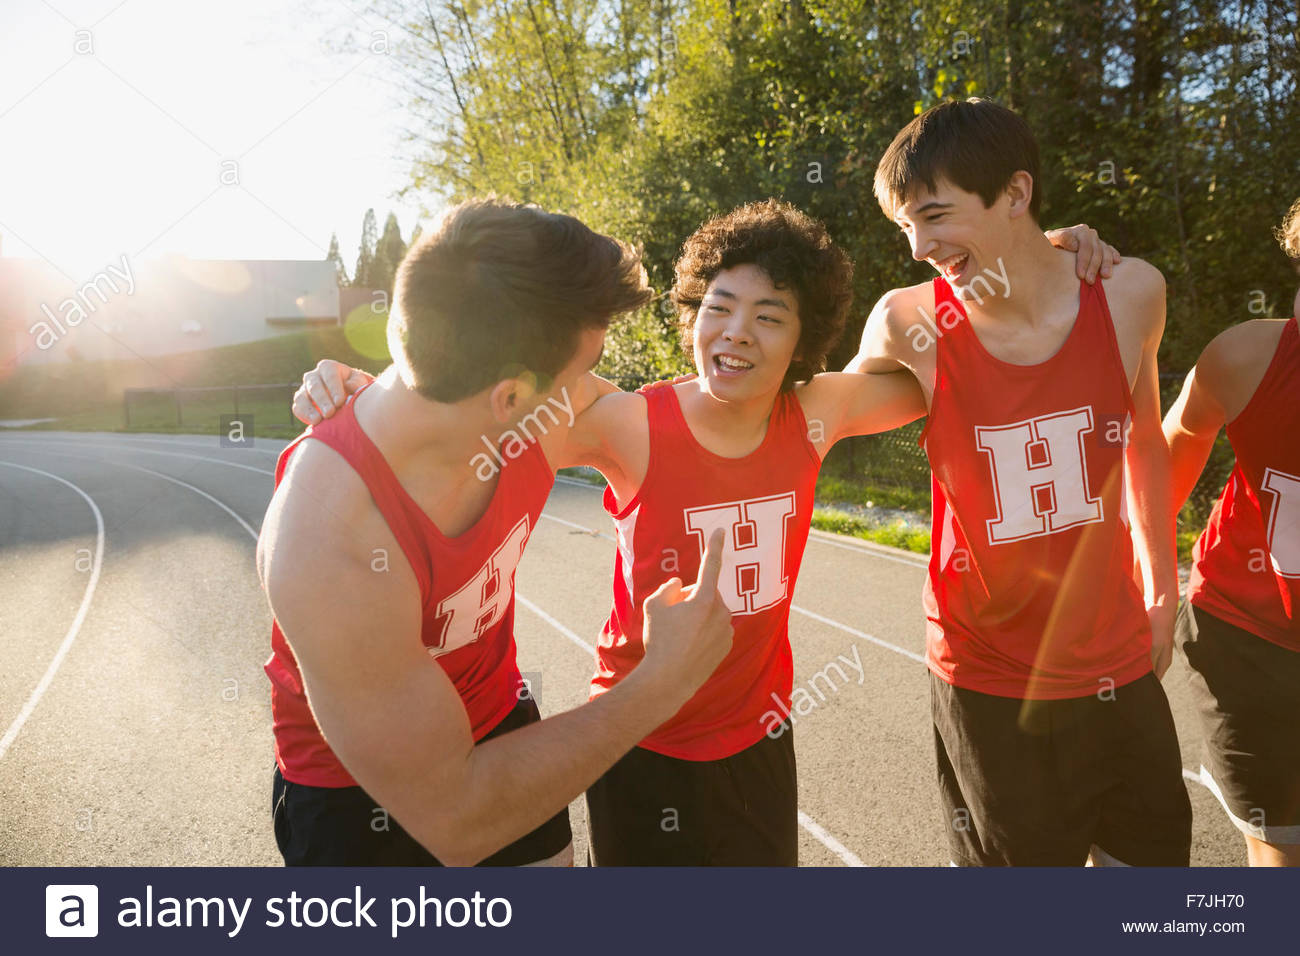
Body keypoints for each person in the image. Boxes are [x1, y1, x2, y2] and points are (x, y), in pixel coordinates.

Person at [297, 198, 1113, 865]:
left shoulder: (818, 413)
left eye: (769, 316)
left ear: (805, 341)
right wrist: (370, 392)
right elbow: (468, 421)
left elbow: (936, 365)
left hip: (756, 734)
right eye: (718, 308)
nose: (736, 333)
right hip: (637, 739)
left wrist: (1034, 255)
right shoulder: (627, 423)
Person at [258, 197, 735, 867]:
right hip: (358, 789)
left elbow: (701, 425)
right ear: (511, 399)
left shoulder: (511, 406)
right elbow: (457, 818)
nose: (598, 388)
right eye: (583, 371)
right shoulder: (328, 531)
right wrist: (661, 683)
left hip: (496, 715)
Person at [852, 98, 1190, 866]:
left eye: (934, 216)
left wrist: (1162, 589)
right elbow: (808, 420)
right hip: (988, 677)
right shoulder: (909, 322)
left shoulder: (1132, 292)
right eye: (904, 226)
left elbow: (1142, 439)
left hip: (1116, 660)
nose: (917, 247)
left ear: (1015, 193)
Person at [1161, 198, 1300, 866]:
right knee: (1280, 856)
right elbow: (1174, 449)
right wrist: (1139, 581)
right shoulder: (1246, 357)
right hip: (1246, 641)